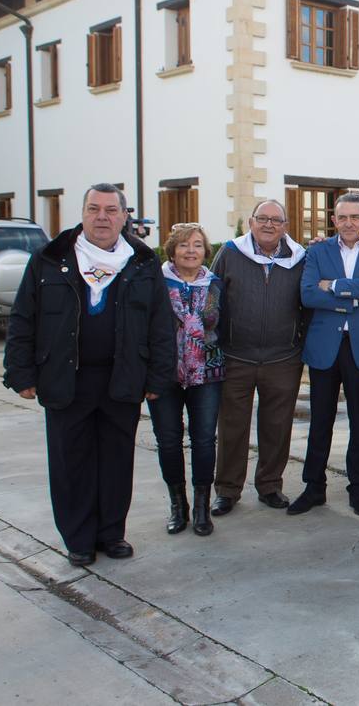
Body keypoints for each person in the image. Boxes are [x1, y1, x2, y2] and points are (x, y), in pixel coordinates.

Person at [3, 183, 174, 566]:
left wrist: (158, 378)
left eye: (111, 210)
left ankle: (112, 533)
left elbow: (160, 325)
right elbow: (23, 318)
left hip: (122, 379)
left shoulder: (142, 263)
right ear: (82, 213)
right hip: (66, 379)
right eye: (94, 209)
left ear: (124, 216)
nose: (103, 217)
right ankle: (79, 539)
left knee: (116, 460)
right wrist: (20, 372)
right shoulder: (50, 260)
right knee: (71, 461)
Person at [289, 193, 359, 517]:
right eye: (343, 218)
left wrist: (332, 286)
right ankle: (313, 487)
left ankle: (358, 486)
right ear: (334, 221)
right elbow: (307, 294)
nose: (349, 223)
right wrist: (353, 293)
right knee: (320, 420)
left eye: (355, 217)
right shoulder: (317, 251)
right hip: (326, 347)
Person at [209, 199, 308, 516]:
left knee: (277, 426)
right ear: (249, 223)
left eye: (276, 220)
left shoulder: (298, 258)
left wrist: (299, 340)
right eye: (262, 219)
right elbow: (212, 298)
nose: (268, 225)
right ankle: (227, 490)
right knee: (232, 428)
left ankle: (269, 485)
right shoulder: (230, 253)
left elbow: (306, 304)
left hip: (283, 358)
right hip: (237, 356)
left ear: (286, 226)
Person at [150, 222, 224, 537]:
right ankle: (177, 506)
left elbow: (225, 326)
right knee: (168, 440)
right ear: (172, 250)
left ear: (205, 251)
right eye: (183, 245)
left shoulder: (216, 284)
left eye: (196, 245)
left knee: (204, 440)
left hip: (207, 373)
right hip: (164, 374)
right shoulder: (156, 283)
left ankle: (202, 508)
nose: (190, 251)